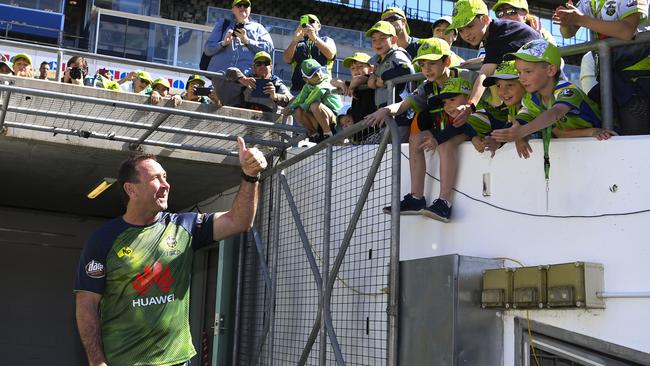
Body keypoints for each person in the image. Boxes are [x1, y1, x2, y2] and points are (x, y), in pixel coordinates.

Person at [74, 140, 267, 366]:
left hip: (177, 360)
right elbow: (86, 304)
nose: (166, 184)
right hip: (124, 361)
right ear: (130, 189)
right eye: (156, 178)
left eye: (165, 177)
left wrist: (250, 176)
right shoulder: (103, 239)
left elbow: (239, 221)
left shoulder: (184, 225)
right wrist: (96, 362)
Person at [366, 38, 486, 222]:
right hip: (447, 128)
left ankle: (444, 203)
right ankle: (416, 198)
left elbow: (488, 92)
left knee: (444, 144)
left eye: (432, 63)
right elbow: (405, 104)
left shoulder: (465, 76)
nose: (426, 69)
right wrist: (385, 110)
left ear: (446, 61)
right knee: (415, 139)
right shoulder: (428, 86)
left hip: (471, 127)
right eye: (422, 64)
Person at [553, 0, 650, 135]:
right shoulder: (587, 2)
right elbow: (568, 33)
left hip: (639, 78)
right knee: (614, 136)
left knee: (636, 139)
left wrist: (580, 19)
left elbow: (627, 31)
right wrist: (565, 21)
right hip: (608, 78)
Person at [491, 39, 616, 143]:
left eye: (528, 72)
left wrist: (522, 132)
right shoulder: (530, 99)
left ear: (550, 70)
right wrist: (495, 141)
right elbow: (521, 122)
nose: (521, 78)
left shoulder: (567, 90)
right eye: (519, 72)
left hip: (612, 140)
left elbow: (555, 113)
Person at [445, 0, 541, 126]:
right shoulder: (496, 32)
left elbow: (484, 75)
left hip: (541, 87)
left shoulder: (499, 35)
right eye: (461, 30)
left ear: (485, 19)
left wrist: (471, 105)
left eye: (469, 26)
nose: (466, 34)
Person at [203, 0, 273, 106]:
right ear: (233, 9)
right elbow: (208, 50)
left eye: (246, 5)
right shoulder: (223, 24)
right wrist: (223, 43)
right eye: (239, 5)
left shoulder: (258, 28)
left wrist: (247, 40)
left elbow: (269, 48)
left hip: (247, 81)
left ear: (250, 9)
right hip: (222, 79)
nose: (242, 8)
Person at [366, 20, 415, 142]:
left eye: (382, 38)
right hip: (385, 111)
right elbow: (374, 78)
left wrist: (383, 77)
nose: (378, 42)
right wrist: (372, 77)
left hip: (400, 113)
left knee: (396, 151)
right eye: (374, 39)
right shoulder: (378, 60)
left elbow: (407, 69)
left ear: (393, 40)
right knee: (387, 153)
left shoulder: (397, 54)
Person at [282, 58, 342, 141]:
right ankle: (314, 134)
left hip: (336, 118)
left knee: (314, 106)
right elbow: (299, 99)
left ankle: (328, 134)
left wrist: (292, 109)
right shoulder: (306, 87)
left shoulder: (326, 81)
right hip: (321, 119)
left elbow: (312, 98)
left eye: (319, 71)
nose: (319, 75)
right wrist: (291, 108)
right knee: (298, 110)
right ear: (305, 79)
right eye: (314, 74)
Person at [330, 52, 379, 144]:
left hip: (373, 132)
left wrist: (351, 87)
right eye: (352, 68)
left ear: (371, 68)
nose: (356, 70)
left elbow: (358, 80)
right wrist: (342, 85)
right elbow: (333, 81)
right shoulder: (354, 83)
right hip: (360, 135)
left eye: (360, 66)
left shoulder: (370, 79)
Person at [282, 14, 336, 95]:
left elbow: (331, 54)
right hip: (299, 89)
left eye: (311, 21)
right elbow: (287, 59)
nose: (308, 24)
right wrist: (295, 40)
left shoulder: (326, 40)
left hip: (322, 88)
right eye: (304, 22)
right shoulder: (297, 43)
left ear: (319, 26)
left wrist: (314, 38)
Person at [492, 0, 556, 44]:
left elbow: (555, 60)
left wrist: (537, 41)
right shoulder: (495, 36)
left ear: (524, 13)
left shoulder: (543, 34)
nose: (504, 17)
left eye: (511, 11)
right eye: (500, 13)